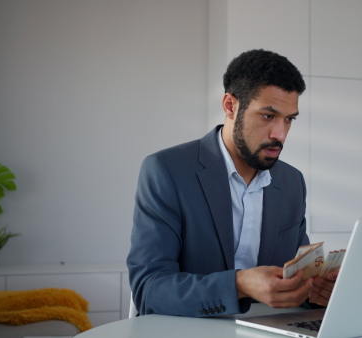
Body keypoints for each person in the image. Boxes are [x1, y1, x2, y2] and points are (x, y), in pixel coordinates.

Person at [127, 49, 337, 317]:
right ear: (230, 106)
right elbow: (149, 291)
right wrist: (239, 284)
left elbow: (294, 281)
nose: (280, 134)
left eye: (289, 119)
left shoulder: (291, 182)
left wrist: (319, 292)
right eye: (268, 116)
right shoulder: (167, 171)